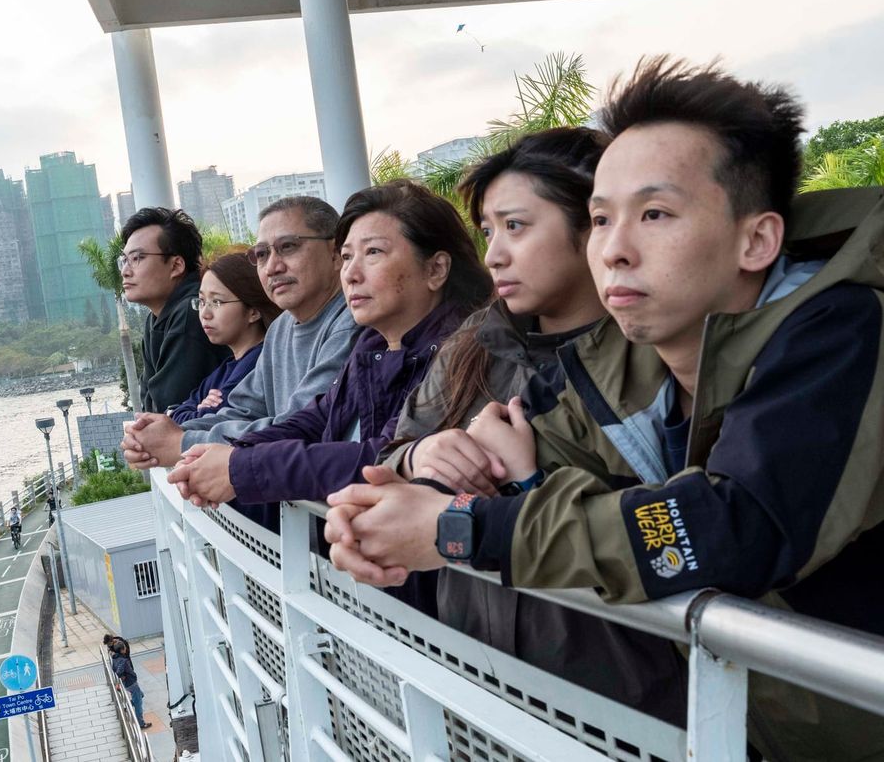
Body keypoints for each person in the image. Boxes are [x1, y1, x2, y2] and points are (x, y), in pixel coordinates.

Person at [326, 57, 884, 760]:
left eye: (655, 214)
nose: (614, 250)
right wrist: (392, 502)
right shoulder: (615, 361)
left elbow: (734, 524)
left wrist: (456, 528)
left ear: (757, 240)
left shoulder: (843, 330)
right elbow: (493, 451)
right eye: (600, 219)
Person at [343, 128, 686, 722]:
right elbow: (391, 456)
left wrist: (528, 483)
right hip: (477, 667)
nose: (495, 255)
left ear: (594, 226)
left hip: (621, 691)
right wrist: (420, 457)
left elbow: (680, 521)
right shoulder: (474, 344)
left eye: (517, 227)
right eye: (488, 232)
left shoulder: (660, 351)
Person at [168, 180, 491, 524]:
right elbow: (314, 419)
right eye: (348, 256)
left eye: (373, 252)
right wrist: (230, 456)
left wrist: (240, 467)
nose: (351, 273)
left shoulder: (466, 349)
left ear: (436, 269)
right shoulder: (372, 347)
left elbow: (385, 455)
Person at [121, 196, 358, 468]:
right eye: (262, 254)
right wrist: (165, 434)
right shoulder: (281, 328)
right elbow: (243, 410)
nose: (273, 267)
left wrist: (182, 441)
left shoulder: (351, 323)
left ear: (336, 252)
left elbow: (299, 425)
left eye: (288, 247)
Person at [120, 207, 231, 412]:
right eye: (124, 260)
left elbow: (170, 408)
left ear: (176, 266)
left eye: (137, 258)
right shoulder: (156, 318)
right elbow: (150, 406)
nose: (125, 271)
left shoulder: (193, 311)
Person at [168, 250, 281, 423]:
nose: (205, 314)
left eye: (217, 302)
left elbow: (209, 421)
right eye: (201, 301)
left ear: (254, 311)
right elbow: (181, 411)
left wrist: (195, 411)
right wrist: (194, 410)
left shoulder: (257, 363)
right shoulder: (226, 368)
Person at [107, 637, 150, 729]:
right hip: (131, 683)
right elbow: (118, 671)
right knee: (138, 704)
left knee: (141, 695)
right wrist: (122, 675)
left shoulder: (115, 658)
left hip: (127, 683)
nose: (126, 648)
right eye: (125, 647)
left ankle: (127, 706)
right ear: (122, 650)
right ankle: (141, 723)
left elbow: (114, 669)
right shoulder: (123, 660)